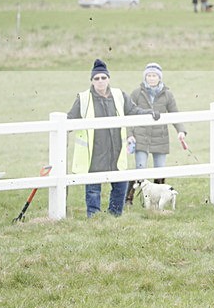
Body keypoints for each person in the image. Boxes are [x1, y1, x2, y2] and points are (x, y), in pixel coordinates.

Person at [67, 59, 159, 218]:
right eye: (96, 78)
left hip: (116, 151)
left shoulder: (119, 95)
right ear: (92, 81)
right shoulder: (83, 98)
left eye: (103, 78)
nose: (100, 81)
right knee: (93, 190)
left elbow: (133, 110)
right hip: (94, 153)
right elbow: (70, 119)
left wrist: (149, 112)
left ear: (108, 79)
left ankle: (114, 217)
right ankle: (94, 218)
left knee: (120, 186)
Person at [125, 63, 187, 205]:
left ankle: (156, 198)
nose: (152, 78)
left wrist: (181, 131)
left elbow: (174, 113)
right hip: (141, 136)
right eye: (149, 75)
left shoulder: (167, 95)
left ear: (159, 78)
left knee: (160, 169)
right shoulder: (136, 93)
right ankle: (128, 198)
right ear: (145, 77)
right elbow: (129, 114)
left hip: (160, 138)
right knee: (140, 168)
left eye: (154, 75)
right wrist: (130, 134)